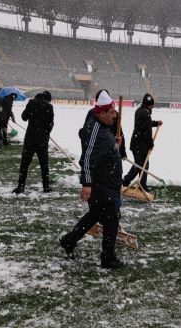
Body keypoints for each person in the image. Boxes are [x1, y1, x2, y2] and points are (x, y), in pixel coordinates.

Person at [60, 91, 124, 269]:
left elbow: (100, 149)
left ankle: (69, 240)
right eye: (111, 113)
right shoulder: (96, 128)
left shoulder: (101, 128)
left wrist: (114, 144)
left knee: (94, 215)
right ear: (102, 112)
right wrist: (86, 184)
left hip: (105, 182)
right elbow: (87, 158)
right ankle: (107, 258)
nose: (114, 115)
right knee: (111, 219)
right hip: (101, 184)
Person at [13, 91, 54, 194]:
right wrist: (46, 133)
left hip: (30, 139)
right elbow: (50, 124)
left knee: (25, 163)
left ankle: (21, 186)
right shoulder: (49, 107)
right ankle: (46, 186)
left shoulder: (32, 103)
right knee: (44, 164)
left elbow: (24, 117)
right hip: (42, 140)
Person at [122, 93, 162, 193]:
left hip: (136, 144)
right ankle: (141, 185)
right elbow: (147, 130)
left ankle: (127, 181)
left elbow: (146, 124)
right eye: (152, 105)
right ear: (149, 104)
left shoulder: (140, 111)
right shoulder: (146, 113)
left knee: (139, 164)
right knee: (143, 165)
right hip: (140, 145)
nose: (153, 107)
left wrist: (156, 123)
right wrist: (151, 144)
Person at [82, 89, 127, 160]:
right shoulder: (92, 114)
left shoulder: (115, 115)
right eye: (111, 113)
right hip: (97, 154)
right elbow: (85, 133)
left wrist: (121, 150)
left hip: (111, 153)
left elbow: (119, 133)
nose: (114, 115)